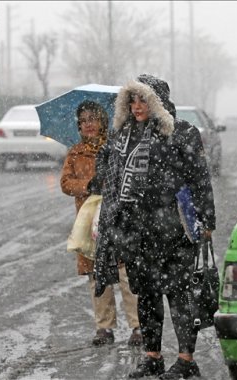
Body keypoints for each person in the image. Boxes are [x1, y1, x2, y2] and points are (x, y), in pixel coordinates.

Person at [91, 74, 216, 379]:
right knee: (146, 294)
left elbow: (199, 177)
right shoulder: (122, 136)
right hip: (135, 230)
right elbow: (108, 178)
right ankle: (153, 356)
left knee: (180, 294)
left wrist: (207, 218)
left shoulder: (181, 131)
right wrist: (102, 165)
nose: (136, 106)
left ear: (157, 101)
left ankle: (186, 360)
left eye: (142, 99)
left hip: (173, 228)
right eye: (131, 100)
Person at [60, 100, 143, 347]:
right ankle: (104, 328)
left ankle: (137, 326)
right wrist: (87, 186)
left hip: (117, 219)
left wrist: (112, 186)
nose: (89, 125)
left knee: (125, 273)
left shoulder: (118, 147)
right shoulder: (75, 153)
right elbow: (66, 184)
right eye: (84, 121)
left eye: (93, 119)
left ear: (103, 122)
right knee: (97, 275)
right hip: (89, 224)